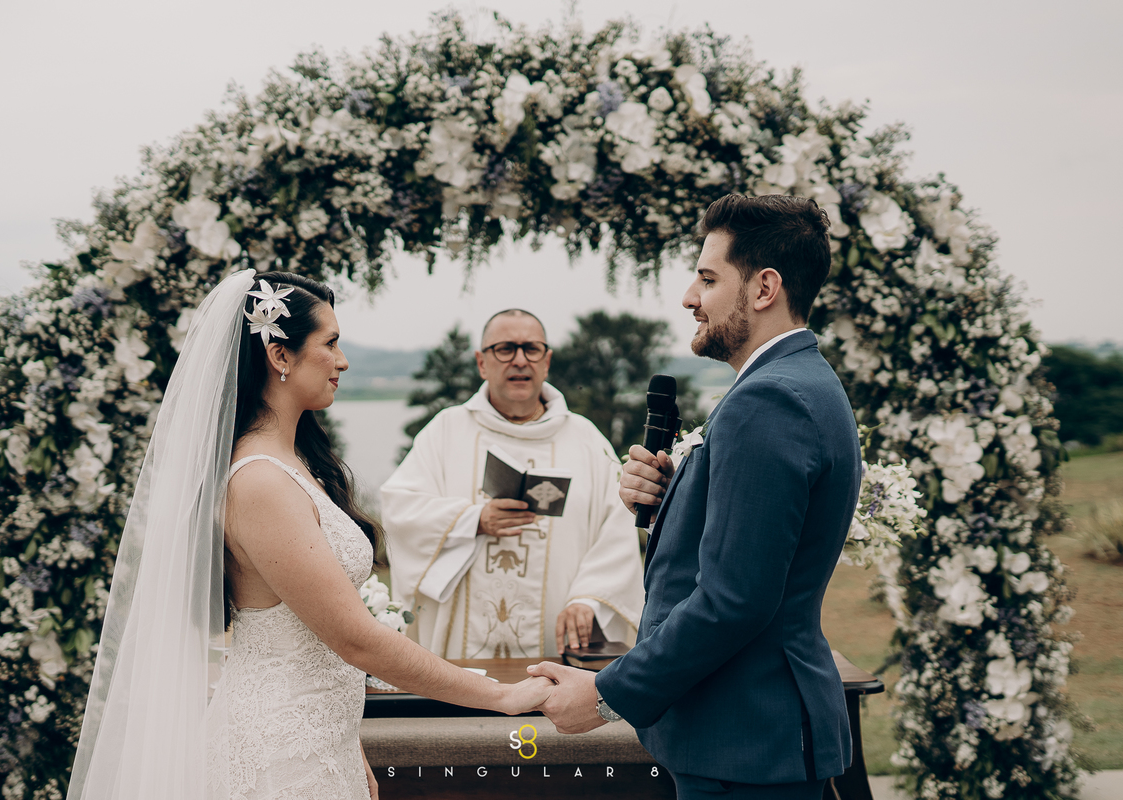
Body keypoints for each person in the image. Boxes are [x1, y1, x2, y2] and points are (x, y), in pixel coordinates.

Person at [67, 271, 552, 800]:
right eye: (331, 343)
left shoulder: (292, 463)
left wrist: (345, 742)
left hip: (316, 743)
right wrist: (501, 697)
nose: (343, 361)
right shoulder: (259, 483)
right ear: (280, 357)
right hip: (275, 757)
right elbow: (354, 639)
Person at [528, 195, 863, 800]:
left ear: (764, 288)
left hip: (745, 741)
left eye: (708, 278)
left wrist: (605, 696)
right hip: (750, 736)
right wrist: (664, 501)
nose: (689, 297)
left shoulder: (770, 401)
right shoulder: (796, 381)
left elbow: (736, 598)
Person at [380, 309, 645, 659]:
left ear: (546, 361)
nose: (520, 360)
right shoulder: (447, 430)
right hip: (462, 649)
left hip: (557, 644)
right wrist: (472, 520)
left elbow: (617, 534)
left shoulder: (586, 441)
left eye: (531, 349)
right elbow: (400, 507)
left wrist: (589, 599)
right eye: (505, 348)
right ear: (481, 362)